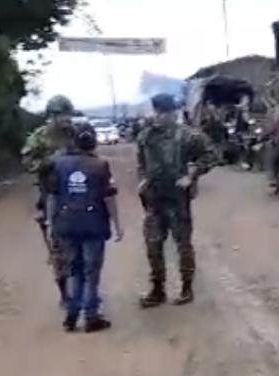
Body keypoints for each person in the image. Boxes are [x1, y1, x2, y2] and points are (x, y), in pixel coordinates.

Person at [136, 93, 214, 307]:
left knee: (183, 246)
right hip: (154, 199)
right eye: (158, 112)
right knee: (153, 246)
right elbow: (141, 163)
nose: (161, 117)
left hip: (177, 200)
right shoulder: (145, 136)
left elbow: (210, 154)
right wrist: (142, 180)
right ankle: (157, 289)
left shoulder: (188, 136)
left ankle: (186, 288)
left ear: (173, 113)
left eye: (165, 113)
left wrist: (192, 174)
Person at [45, 123, 124, 332]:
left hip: (66, 224)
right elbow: (109, 199)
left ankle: (71, 315)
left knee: (74, 270)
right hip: (93, 226)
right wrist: (117, 225)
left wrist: (51, 223)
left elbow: (52, 196)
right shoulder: (100, 165)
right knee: (91, 272)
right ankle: (91, 316)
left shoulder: (58, 164)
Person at [22, 95, 78, 299]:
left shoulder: (75, 133)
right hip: (52, 193)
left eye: (67, 114)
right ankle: (64, 289)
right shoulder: (39, 137)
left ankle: (83, 284)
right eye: (60, 114)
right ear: (52, 116)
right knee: (57, 243)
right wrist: (49, 162)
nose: (65, 119)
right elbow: (28, 163)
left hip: (76, 192)